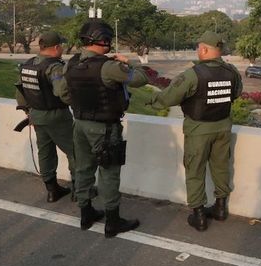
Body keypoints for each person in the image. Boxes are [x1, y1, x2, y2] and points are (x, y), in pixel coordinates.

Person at [60, 20, 149, 238]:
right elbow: (140, 78)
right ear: (104, 40)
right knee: (109, 172)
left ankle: (86, 213)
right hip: (104, 128)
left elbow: (62, 93)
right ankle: (112, 221)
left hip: (79, 124)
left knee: (82, 169)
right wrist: (128, 63)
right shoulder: (109, 67)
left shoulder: (70, 64)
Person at [150, 31, 242, 231]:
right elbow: (236, 93)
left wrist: (152, 100)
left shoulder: (193, 74)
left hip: (199, 129)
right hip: (223, 126)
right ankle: (220, 208)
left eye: (199, 47)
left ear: (204, 49)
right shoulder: (232, 71)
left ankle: (199, 215)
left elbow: (167, 98)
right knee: (221, 167)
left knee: (195, 170)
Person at [15, 31, 76, 203]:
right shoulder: (54, 67)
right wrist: (75, 102)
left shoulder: (28, 64)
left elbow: (20, 91)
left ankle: (52, 190)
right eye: (61, 45)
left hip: (36, 115)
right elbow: (61, 91)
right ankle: (78, 190)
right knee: (75, 151)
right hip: (56, 116)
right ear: (56, 47)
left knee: (46, 152)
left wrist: (29, 112)